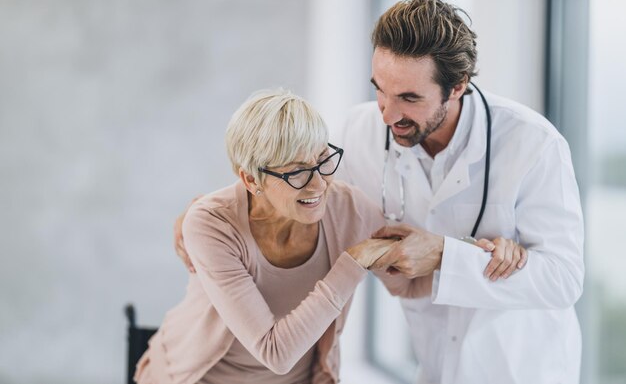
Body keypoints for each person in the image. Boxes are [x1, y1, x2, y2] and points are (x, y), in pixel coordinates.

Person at [174, 0, 584, 384]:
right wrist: (213, 210)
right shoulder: (362, 129)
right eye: (379, 90)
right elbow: (296, 176)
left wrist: (447, 253)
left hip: (519, 365)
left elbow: (565, 279)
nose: (388, 113)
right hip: (433, 360)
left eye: (408, 97)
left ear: (457, 86)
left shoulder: (533, 144)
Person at [138, 89, 513, 384]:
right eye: (298, 172)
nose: (320, 184)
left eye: (322, 160)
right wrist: (353, 263)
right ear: (251, 180)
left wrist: (476, 254)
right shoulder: (211, 223)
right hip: (195, 378)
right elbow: (276, 352)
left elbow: (410, 283)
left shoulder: (349, 209)